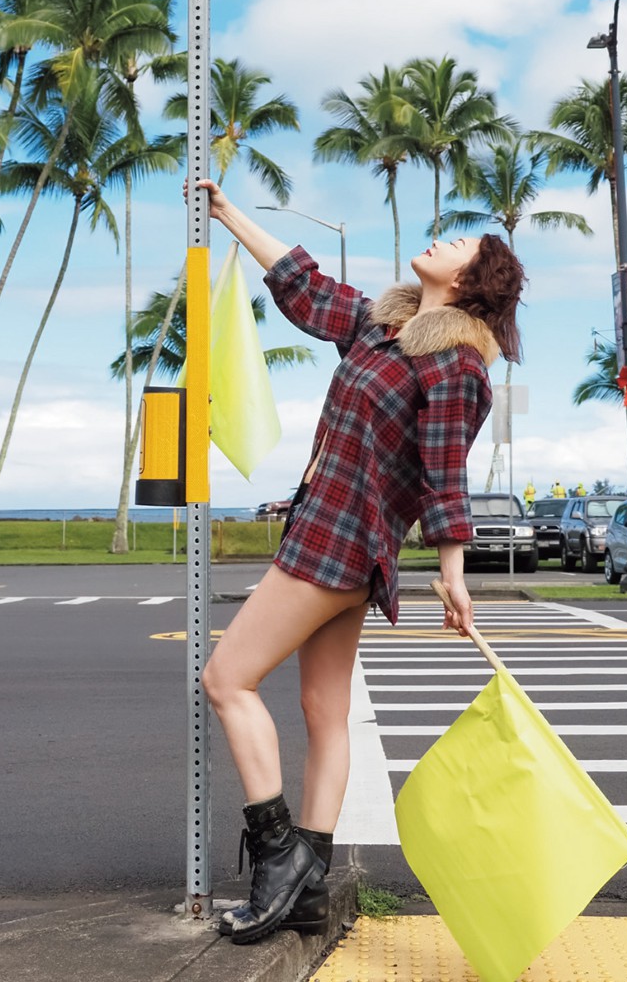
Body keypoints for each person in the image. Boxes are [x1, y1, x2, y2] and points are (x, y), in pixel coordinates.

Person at [192, 180, 525, 945]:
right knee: (323, 712)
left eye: (459, 244)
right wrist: (229, 214)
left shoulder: (457, 365)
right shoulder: (390, 329)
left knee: (226, 679)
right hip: (340, 538)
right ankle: (309, 883)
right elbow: (305, 287)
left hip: (337, 543)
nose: (440, 242)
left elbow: (446, 474)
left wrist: (452, 572)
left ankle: (277, 858)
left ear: (471, 281)